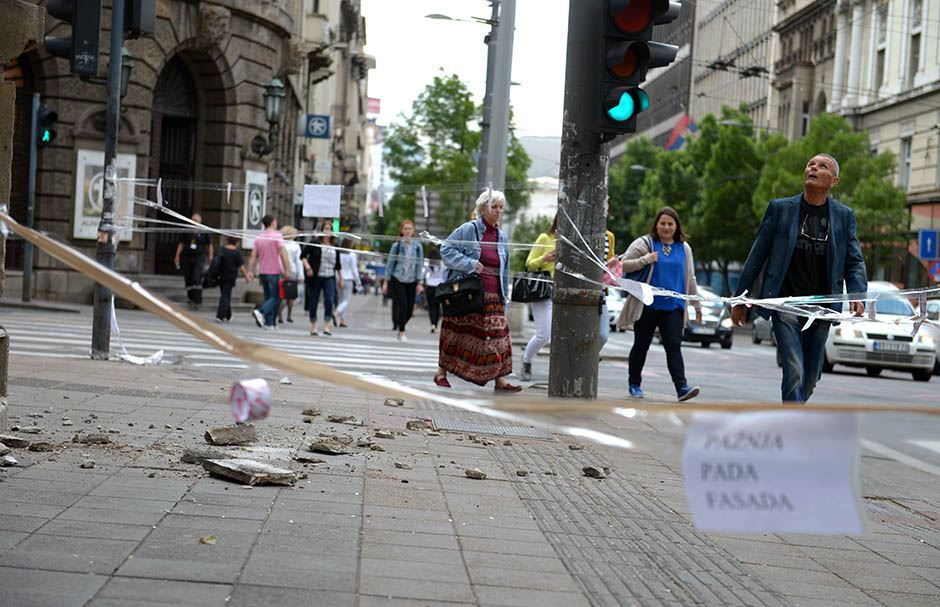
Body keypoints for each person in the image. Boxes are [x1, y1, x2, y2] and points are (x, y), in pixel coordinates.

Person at [732, 153, 867, 403]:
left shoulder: (843, 216)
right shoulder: (781, 209)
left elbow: (854, 259)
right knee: (794, 369)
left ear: (834, 181)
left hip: (823, 309)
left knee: (812, 375)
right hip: (785, 304)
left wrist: (858, 294)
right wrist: (740, 298)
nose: (813, 168)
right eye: (810, 164)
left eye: (822, 166)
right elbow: (757, 256)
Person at [434, 190, 522, 392]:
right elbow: (446, 249)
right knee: (457, 333)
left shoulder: (502, 236)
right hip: (470, 293)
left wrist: (504, 294)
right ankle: (440, 373)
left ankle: (500, 380)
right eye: (494, 207)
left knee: (499, 336)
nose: (499, 211)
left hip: (494, 295)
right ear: (483, 209)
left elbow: (505, 267)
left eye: (501, 207)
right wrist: (471, 264)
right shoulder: (469, 229)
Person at [621, 207, 703, 402]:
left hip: (673, 307)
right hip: (647, 305)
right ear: (656, 225)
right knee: (641, 345)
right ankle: (635, 384)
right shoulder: (646, 243)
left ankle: (682, 387)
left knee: (674, 347)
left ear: (676, 227)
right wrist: (645, 260)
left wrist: (697, 305)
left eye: (670, 224)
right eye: (663, 223)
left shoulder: (684, 248)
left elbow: (690, 278)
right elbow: (622, 264)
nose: (666, 227)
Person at [520, 213, 558, 381]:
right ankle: (526, 360)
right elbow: (529, 263)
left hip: (563, 293)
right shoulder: (545, 238)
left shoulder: (572, 243)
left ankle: (560, 372)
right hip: (543, 291)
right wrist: (545, 258)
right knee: (544, 334)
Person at [247, 214, 291, 330]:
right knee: (275, 297)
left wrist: (250, 271)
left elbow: (253, 255)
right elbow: (283, 254)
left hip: (263, 272)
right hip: (274, 271)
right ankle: (260, 311)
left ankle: (269, 322)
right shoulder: (277, 236)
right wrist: (287, 270)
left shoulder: (259, 237)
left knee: (268, 297)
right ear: (272, 222)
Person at [383, 219, 424, 343]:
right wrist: (386, 281)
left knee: (410, 310)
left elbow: (419, 264)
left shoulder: (417, 247)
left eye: (409, 229)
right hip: (398, 278)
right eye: (405, 228)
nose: (407, 231)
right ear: (402, 231)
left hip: (412, 280)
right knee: (403, 305)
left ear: (413, 231)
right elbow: (390, 263)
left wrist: (419, 282)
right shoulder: (397, 246)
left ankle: (401, 325)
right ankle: (402, 332)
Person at [302, 226, 344, 336]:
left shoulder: (335, 246)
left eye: (330, 229)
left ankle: (326, 325)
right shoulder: (315, 243)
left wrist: (341, 278)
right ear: (322, 230)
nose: (327, 231)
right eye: (325, 228)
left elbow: (338, 264)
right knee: (314, 300)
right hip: (316, 276)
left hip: (329, 276)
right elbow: (302, 256)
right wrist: (308, 267)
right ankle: (313, 326)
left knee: (330, 300)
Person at [174, 214, 213, 310]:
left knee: (196, 277)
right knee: (188, 278)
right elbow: (182, 243)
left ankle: (198, 299)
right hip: (187, 257)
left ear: (200, 222)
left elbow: (209, 245)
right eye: (192, 220)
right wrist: (177, 255)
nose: (193, 221)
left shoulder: (204, 231)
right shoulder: (187, 230)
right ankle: (190, 297)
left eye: (195, 220)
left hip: (199, 258)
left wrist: (210, 256)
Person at [212, 236, 253, 323]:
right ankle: (220, 315)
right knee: (225, 295)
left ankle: (228, 315)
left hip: (221, 275)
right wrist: (247, 276)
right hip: (230, 276)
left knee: (225, 294)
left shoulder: (222, 250)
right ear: (237, 242)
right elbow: (241, 267)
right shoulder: (236, 253)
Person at [278, 225, 303, 324]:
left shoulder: (280, 244)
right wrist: (301, 275)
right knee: (291, 295)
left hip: (281, 271)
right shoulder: (296, 246)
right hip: (293, 271)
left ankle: (279, 314)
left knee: (282, 294)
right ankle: (289, 315)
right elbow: (298, 261)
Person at [336, 238, 362, 328]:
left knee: (340, 299)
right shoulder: (352, 254)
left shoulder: (339, 253)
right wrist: (358, 281)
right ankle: (336, 312)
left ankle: (342, 320)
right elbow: (354, 270)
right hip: (348, 278)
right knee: (346, 300)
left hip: (338, 278)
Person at [424, 247, 446, 333]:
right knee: (438, 307)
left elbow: (423, 274)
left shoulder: (428, 263)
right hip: (440, 287)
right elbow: (445, 276)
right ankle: (436, 324)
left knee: (431, 307)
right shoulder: (442, 263)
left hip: (430, 286)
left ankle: (433, 324)